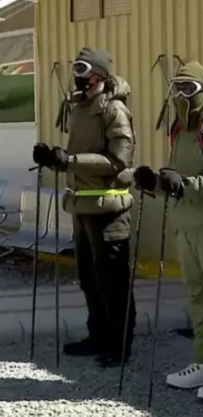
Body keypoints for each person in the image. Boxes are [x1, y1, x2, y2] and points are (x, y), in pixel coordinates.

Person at [132, 61, 203, 402]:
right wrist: (156, 183)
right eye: (176, 88)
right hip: (186, 225)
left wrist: (185, 185)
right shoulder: (182, 129)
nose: (182, 95)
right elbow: (178, 180)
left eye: (189, 88)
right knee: (198, 299)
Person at [32, 47, 136, 367]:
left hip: (108, 209)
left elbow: (119, 160)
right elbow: (75, 157)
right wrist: (54, 158)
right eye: (75, 68)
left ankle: (119, 346)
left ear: (98, 74)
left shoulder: (113, 109)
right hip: (82, 206)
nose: (76, 75)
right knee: (89, 278)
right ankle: (98, 336)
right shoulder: (80, 107)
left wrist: (71, 161)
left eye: (82, 69)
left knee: (113, 281)